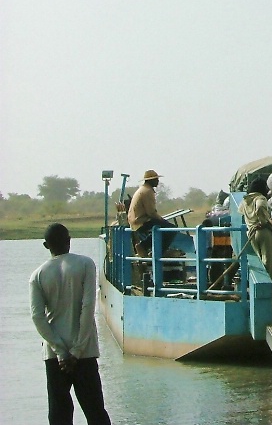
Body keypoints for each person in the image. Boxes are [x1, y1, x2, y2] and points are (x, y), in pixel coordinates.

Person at [30, 223, 111, 425]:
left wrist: (60, 351)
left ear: (45, 245)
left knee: (59, 414)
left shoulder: (38, 275)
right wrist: (76, 350)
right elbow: (88, 306)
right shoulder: (85, 264)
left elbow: (37, 317)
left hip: (55, 355)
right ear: (69, 240)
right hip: (84, 352)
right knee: (95, 412)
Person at [127, 169, 178, 256]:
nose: (158, 181)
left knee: (163, 228)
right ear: (150, 181)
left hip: (136, 220)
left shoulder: (143, 189)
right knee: (172, 229)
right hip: (140, 221)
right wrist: (162, 220)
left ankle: (151, 249)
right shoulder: (147, 191)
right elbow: (151, 212)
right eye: (156, 179)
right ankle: (151, 249)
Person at [239, 178, 272, 278]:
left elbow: (240, 212)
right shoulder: (260, 198)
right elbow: (260, 206)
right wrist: (263, 220)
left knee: (259, 260)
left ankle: (258, 281)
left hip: (251, 233)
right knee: (268, 260)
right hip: (263, 230)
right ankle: (267, 284)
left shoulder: (245, 200)